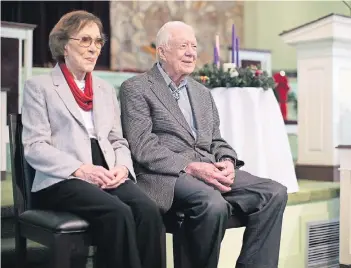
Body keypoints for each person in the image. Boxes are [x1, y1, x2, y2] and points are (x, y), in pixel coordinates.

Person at [119, 21, 288, 268]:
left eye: (194, 46)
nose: (191, 52)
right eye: (183, 46)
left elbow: (216, 140)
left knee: (274, 192)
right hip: (166, 175)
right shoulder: (136, 88)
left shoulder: (201, 92)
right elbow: (142, 146)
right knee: (212, 204)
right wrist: (192, 167)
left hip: (209, 169)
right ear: (163, 52)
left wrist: (227, 160)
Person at [22, 10, 163, 268]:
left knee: (148, 210)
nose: (93, 48)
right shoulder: (39, 86)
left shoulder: (105, 89)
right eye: (85, 40)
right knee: (117, 213)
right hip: (62, 178)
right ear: (64, 45)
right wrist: (81, 169)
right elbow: (35, 146)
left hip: (106, 171)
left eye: (98, 42)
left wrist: (122, 168)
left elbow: (117, 140)